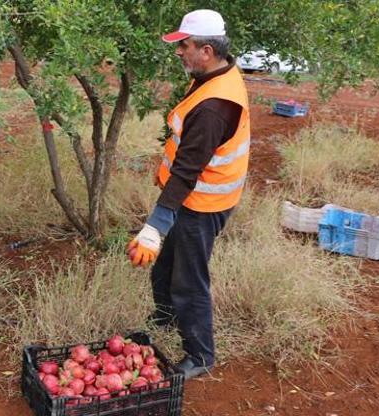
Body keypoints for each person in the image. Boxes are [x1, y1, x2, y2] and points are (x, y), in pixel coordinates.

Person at [127, 9, 250, 380]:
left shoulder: (215, 107)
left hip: (204, 203)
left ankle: (200, 355)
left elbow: (188, 171)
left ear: (207, 50)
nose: (179, 52)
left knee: (189, 279)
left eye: (185, 46)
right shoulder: (213, 73)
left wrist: (153, 227)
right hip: (191, 196)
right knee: (166, 265)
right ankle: (165, 316)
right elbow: (185, 152)